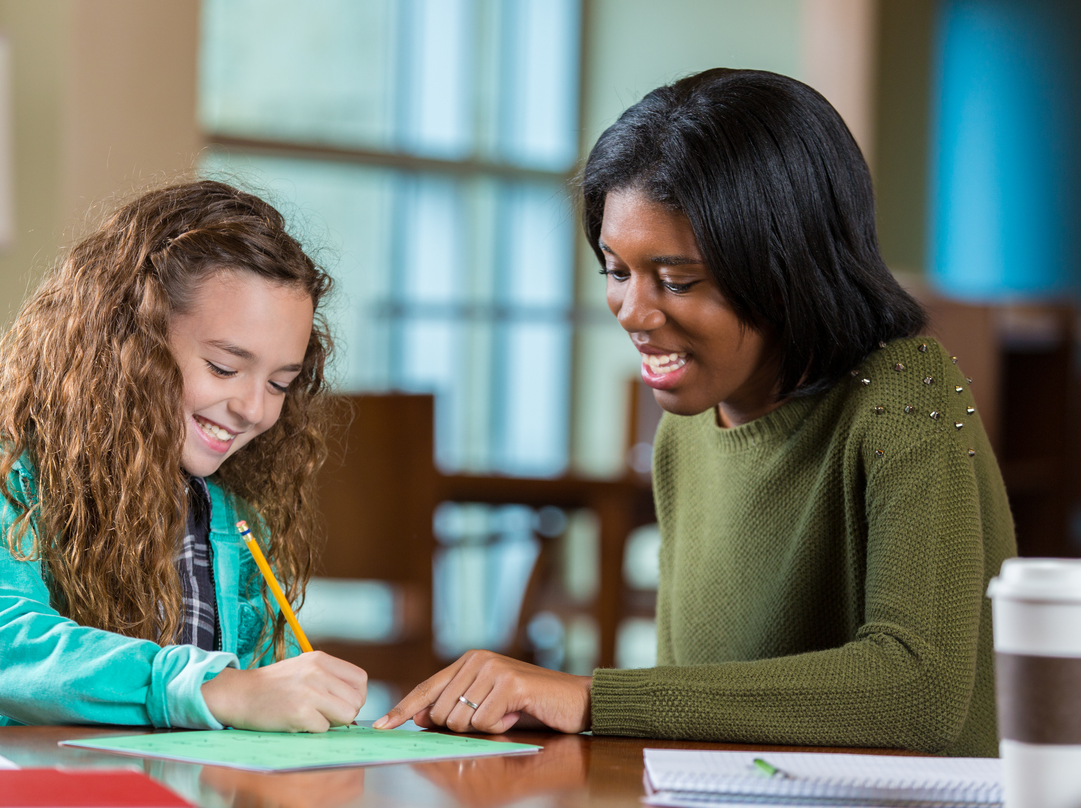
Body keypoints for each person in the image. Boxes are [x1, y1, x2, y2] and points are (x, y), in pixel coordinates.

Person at [374, 69, 1016, 757]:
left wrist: (591, 697)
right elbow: (704, 706)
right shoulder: (684, 431)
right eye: (616, 272)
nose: (632, 313)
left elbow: (916, 692)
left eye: (677, 280)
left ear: (786, 268)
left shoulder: (905, 391)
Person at [0, 180, 368, 732]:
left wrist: (312, 702)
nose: (252, 408)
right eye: (223, 367)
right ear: (130, 341)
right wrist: (213, 688)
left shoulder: (236, 524)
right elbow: (3, 650)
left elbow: (270, 693)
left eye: (280, 383)